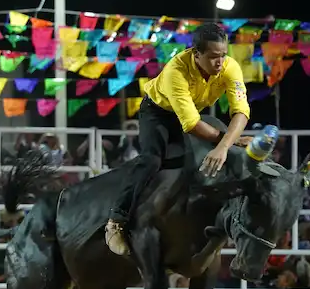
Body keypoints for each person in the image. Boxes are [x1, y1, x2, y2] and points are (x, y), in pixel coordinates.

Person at [105, 22, 252, 255]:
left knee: (192, 165)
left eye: (223, 55)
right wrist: (228, 141)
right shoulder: (177, 71)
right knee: (153, 160)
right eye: (213, 56)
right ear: (196, 54)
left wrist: (225, 145)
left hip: (190, 113)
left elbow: (241, 111)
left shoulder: (229, 67)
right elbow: (192, 124)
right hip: (158, 113)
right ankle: (116, 221)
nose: (220, 62)